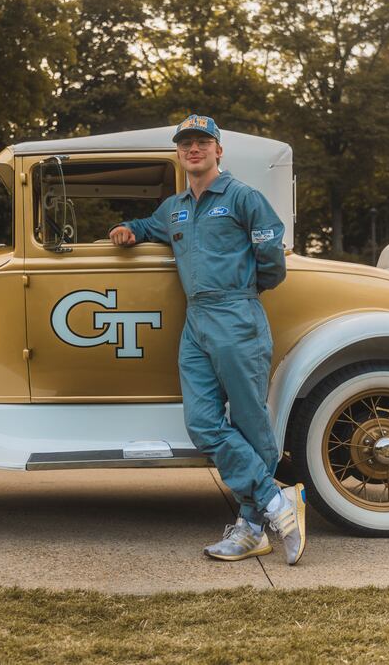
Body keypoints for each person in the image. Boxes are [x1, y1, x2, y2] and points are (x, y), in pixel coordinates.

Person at [109, 114, 306, 565]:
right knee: (201, 423)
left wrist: (245, 291)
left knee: (252, 423)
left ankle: (252, 527)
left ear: (219, 150)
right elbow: (147, 225)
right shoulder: (175, 206)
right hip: (196, 321)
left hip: (236, 313)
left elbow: (271, 259)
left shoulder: (242, 197)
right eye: (185, 144)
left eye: (202, 142)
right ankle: (277, 504)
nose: (193, 149)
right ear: (178, 154)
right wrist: (129, 229)